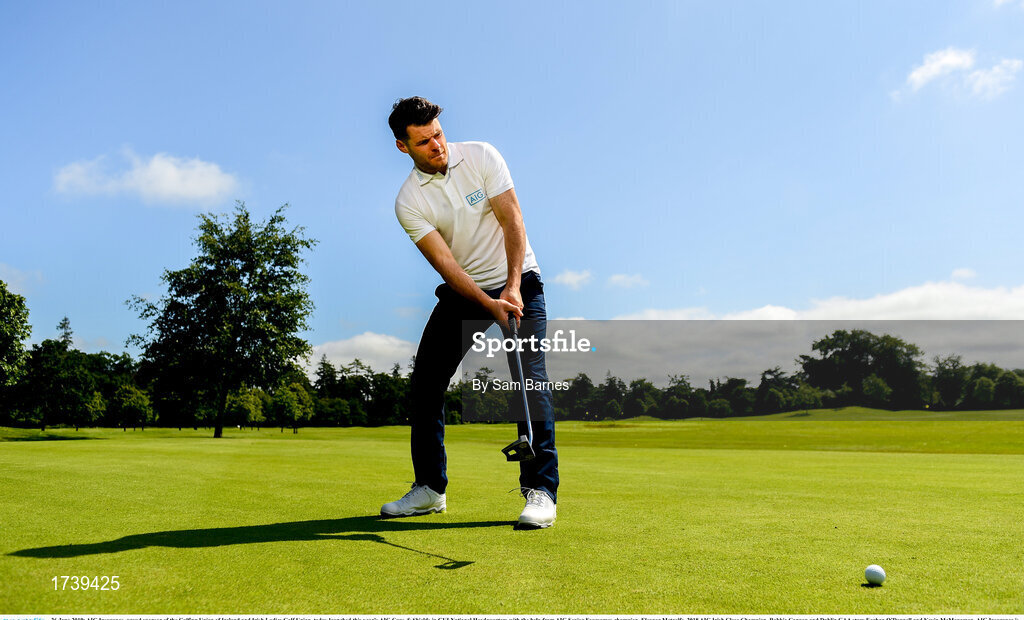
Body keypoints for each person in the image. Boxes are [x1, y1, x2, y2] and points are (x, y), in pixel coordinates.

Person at [381, 96, 559, 529]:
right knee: (426, 384)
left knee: (529, 378)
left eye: (438, 134)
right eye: (424, 142)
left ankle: (541, 492)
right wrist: (487, 304)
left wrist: (513, 287)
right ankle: (430, 489)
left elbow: (512, 220)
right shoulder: (409, 202)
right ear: (404, 147)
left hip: (520, 279)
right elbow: (447, 266)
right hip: (467, 291)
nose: (437, 146)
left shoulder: (481, 155)